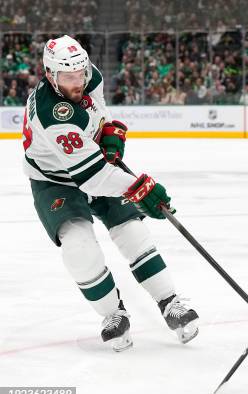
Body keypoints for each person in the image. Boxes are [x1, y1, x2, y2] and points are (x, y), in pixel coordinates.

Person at [22, 35, 199, 352]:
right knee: (78, 247)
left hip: (90, 162)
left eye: (80, 74)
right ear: (50, 75)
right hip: (54, 180)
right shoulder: (51, 114)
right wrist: (138, 187)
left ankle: (170, 301)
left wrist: (105, 129)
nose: (78, 81)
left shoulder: (89, 74)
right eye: (69, 77)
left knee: (131, 230)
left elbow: (97, 107)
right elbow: (92, 178)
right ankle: (113, 315)